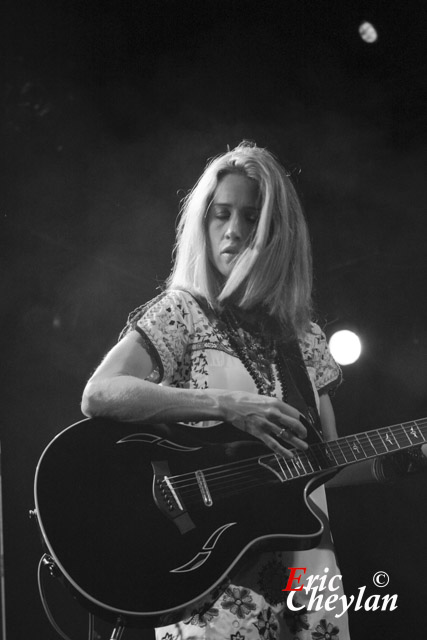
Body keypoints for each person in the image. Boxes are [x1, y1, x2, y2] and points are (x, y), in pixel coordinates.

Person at [81, 141, 426, 640]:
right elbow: (100, 393)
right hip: (215, 568)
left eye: (250, 217)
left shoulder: (305, 338)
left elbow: (323, 466)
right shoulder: (183, 311)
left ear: (278, 232)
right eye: (221, 215)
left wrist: (407, 456)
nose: (234, 230)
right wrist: (225, 404)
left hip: (307, 568)